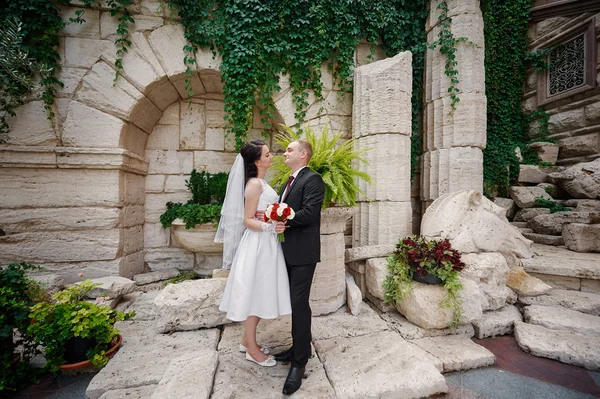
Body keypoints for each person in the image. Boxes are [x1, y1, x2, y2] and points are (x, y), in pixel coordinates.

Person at [216, 140, 291, 367]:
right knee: (255, 294)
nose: (271, 157)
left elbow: (260, 213)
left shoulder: (260, 182)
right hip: (258, 245)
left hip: (266, 244)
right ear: (257, 160)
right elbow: (247, 220)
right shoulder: (254, 185)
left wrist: (271, 218)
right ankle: (251, 347)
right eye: (267, 155)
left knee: (259, 292)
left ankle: (245, 339)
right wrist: (270, 226)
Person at [273, 139, 325, 395]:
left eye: (289, 150)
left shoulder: (313, 179)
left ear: (303, 155)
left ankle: (299, 363)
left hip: (303, 254)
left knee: (298, 304)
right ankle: (299, 348)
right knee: (294, 303)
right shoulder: (290, 180)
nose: (285, 152)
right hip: (287, 251)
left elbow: (309, 214)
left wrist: (286, 219)